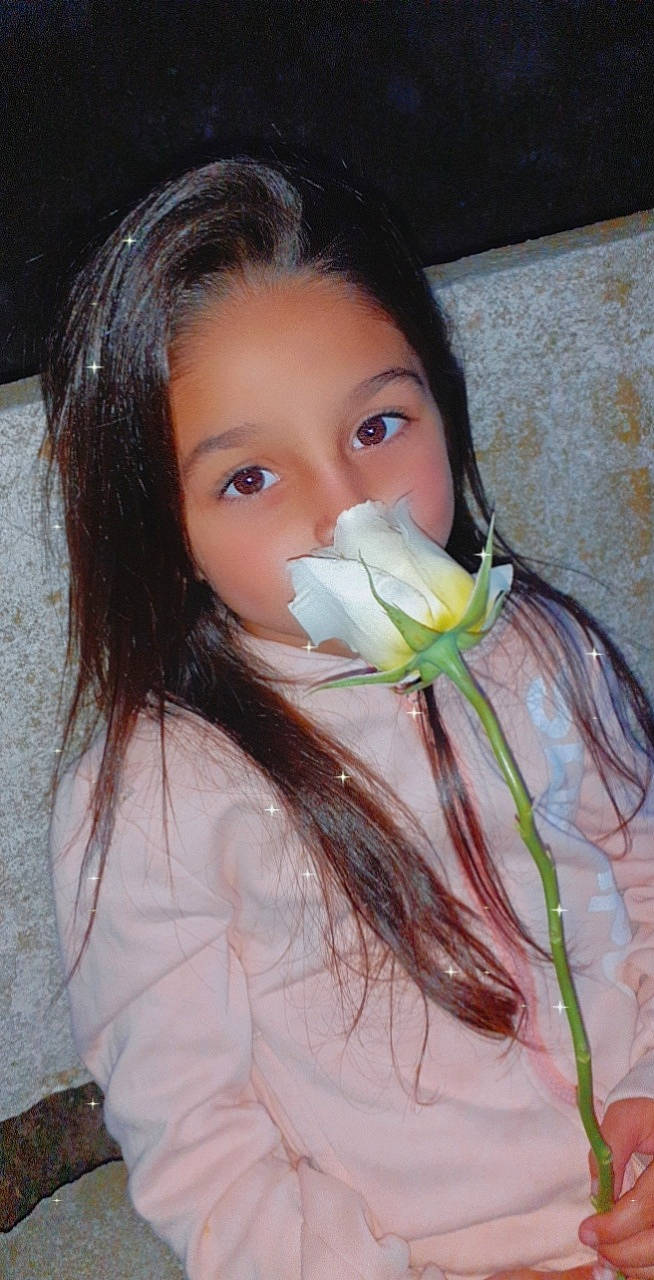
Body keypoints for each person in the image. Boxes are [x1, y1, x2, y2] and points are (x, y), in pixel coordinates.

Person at [43, 149, 654, 1280]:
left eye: (377, 427)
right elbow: (202, 1146)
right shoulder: (160, 797)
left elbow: (642, 870)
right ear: (158, 529)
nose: (344, 509)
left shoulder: (533, 648)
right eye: (248, 478)